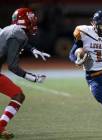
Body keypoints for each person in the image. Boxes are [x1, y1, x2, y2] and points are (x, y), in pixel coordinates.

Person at [0, 8, 50, 139]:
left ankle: (0, 127)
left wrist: (32, 49)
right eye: (31, 19)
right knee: (17, 95)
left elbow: (15, 40)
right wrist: (33, 78)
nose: (33, 21)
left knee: (17, 95)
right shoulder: (18, 33)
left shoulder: (8, 29)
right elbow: (12, 66)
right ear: (25, 20)